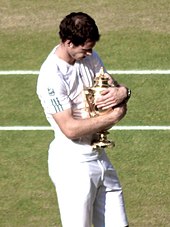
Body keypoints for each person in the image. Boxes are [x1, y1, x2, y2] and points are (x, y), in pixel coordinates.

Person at [37, 12, 131, 227]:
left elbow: (111, 88)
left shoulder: (91, 57)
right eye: (85, 49)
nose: (90, 53)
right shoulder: (51, 76)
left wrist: (123, 92)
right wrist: (115, 115)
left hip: (100, 156)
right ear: (68, 42)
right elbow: (69, 128)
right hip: (73, 163)